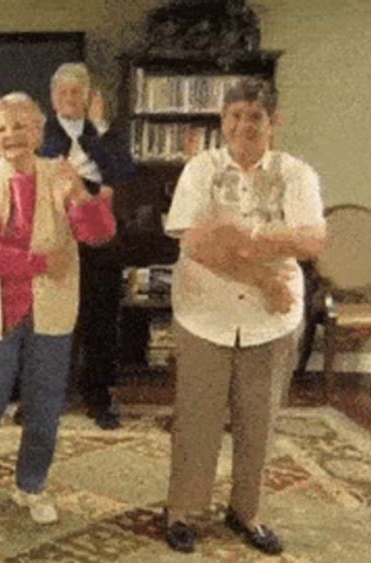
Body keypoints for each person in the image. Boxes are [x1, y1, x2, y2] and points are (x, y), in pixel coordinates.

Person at [162, 78, 325, 555]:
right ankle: (182, 511)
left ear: (274, 122)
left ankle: (246, 511)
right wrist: (265, 271)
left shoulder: (297, 174)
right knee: (197, 420)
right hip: (203, 314)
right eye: (234, 116)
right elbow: (194, 243)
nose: (243, 125)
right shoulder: (200, 169)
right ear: (222, 122)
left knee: (261, 420)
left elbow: (311, 241)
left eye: (254, 116)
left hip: (271, 321)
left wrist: (239, 236)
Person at [0, 93, 115, 524]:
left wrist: (79, 195)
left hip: (50, 311)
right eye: (1, 129)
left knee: (45, 407)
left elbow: (98, 235)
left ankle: (31, 485)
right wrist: (42, 263)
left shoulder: (61, 174)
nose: (11, 136)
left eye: (21, 126)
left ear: (39, 132)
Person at [40, 63, 135, 430]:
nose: (68, 99)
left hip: (99, 225)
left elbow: (123, 171)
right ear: (53, 98)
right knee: (53, 314)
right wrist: (92, 183)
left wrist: (95, 132)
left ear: (88, 96)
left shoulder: (106, 133)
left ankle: (99, 395)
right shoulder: (42, 130)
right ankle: (48, 394)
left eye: (76, 93)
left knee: (100, 315)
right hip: (56, 222)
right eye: (62, 93)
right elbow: (50, 164)